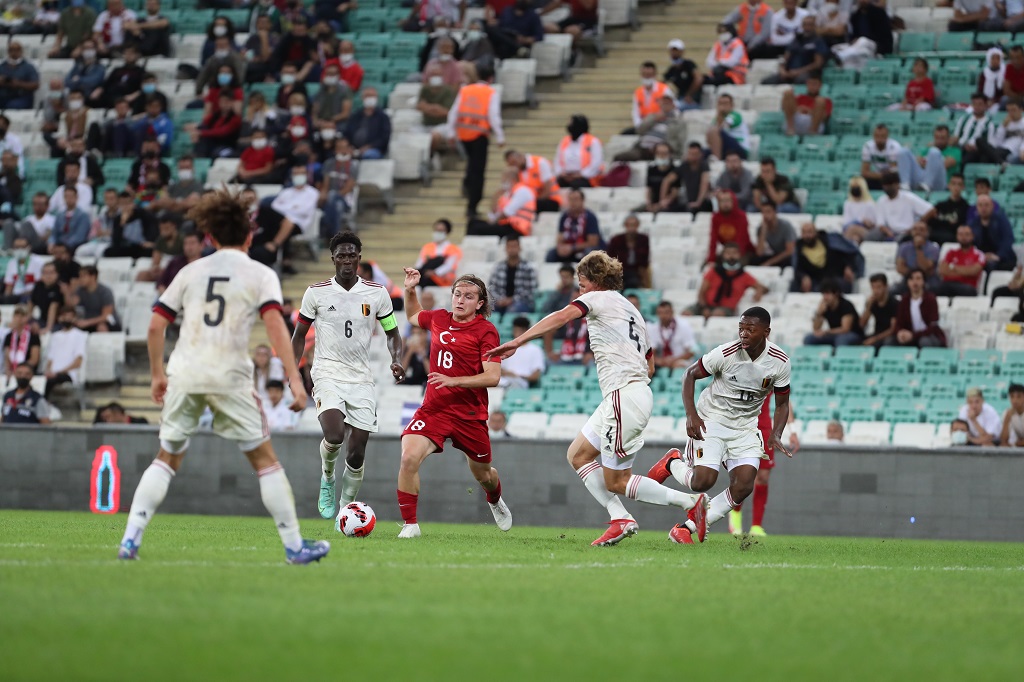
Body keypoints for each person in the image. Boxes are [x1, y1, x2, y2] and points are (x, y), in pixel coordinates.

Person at [117, 188, 330, 564]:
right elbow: (276, 328)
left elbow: (155, 327)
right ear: (249, 236)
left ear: (210, 237)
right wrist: (296, 380)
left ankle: (130, 540)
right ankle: (295, 546)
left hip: (184, 372)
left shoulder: (190, 271)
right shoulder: (260, 274)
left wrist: (156, 376)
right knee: (265, 460)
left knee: (166, 458)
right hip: (230, 375)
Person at [488, 251, 708, 546]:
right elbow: (651, 364)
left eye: (581, 284)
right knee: (577, 456)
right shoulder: (632, 310)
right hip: (628, 394)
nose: (579, 291)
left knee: (616, 480)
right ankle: (621, 518)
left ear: (595, 281)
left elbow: (562, 316)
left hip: (624, 395)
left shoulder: (597, 298)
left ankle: (690, 503)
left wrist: (517, 340)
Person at [649, 306, 792, 544]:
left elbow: (782, 403)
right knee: (703, 482)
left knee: (744, 485)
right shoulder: (726, 353)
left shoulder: (779, 362)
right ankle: (673, 461)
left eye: (750, 329)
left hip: (745, 426)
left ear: (766, 332)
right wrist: (691, 415)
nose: (743, 334)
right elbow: (689, 374)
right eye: (741, 328)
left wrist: (776, 433)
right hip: (712, 419)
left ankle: (686, 528)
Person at [291, 231, 405, 521]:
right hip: (327, 371)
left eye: (351, 254)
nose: (346, 260)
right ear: (333, 259)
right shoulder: (316, 293)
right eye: (341, 255)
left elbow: (392, 332)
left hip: (361, 378)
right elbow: (299, 335)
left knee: (357, 452)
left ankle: (346, 508)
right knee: (334, 434)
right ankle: (327, 478)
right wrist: (294, 374)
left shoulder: (377, 293)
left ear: (359, 258)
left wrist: (396, 359)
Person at [396, 268, 510, 539]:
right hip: (434, 409)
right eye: (457, 294)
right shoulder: (439, 319)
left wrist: (454, 380)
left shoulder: (486, 331)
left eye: (468, 296)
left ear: (479, 304)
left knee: (483, 474)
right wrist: (410, 290)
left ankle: (494, 499)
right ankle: (410, 525)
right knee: (408, 457)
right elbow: (413, 315)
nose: (460, 300)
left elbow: (493, 376)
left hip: (469, 414)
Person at [448, 64, 503, 218]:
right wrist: (500, 136)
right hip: (479, 135)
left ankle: (466, 184)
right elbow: (493, 115)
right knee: (478, 171)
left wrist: (451, 133)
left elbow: (454, 112)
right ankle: (472, 205)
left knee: (472, 164)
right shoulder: (491, 92)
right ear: (491, 78)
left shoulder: (465, 90)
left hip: (463, 134)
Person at [689, 243, 768, 317]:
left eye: (734, 253)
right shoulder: (713, 271)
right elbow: (701, 293)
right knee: (686, 313)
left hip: (726, 309)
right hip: (705, 306)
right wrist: (704, 308)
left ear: (739, 255)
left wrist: (759, 291)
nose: (731, 256)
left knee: (717, 314)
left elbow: (762, 287)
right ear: (723, 255)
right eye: (728, 253)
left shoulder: (743, 275)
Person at [856, 172, 935, 243]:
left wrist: (918, 224)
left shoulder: (909, 198)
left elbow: (931, 210)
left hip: (908, 232)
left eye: (890, 185)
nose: (887, 188)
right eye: (885, 185)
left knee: (902, 240)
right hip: (890, 232)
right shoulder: (881, 201)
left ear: (897, 185)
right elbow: (880, 224)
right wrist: (888, 233)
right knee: (870, 237)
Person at [614, 93, 687, 162]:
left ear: (673, 105)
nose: (665, 105)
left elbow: (680, 141)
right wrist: (654, 119)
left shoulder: (678, 122)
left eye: (668, 103)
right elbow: (639, 131)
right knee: (619, 157)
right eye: (664, 103)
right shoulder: (652, 116)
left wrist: (675, 154)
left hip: (660, 150)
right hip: (642, 148)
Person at [466, 167, 537, 238]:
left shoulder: (522, 191)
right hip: (505, 225)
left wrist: (493, 223)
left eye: (504, 178)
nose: (502, 181)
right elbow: (494, 214)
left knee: (476, 228)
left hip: (517, 228)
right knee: (473, 223)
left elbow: (507, 213)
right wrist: (495, 196)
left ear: (512, 179)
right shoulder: (508, 194)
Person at [793, 222, 860, 293]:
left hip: (834, 276)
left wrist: (848, 266)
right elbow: (798, 268)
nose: (807, 236)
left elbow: (845, 254)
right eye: (804, 233)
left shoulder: (828, 242)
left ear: (816, 232)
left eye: (810, 232)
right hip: (815, 280)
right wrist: (804, 276)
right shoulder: (799, 249)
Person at [762, 15, 827, 86]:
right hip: (789, 72)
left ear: (814, 26)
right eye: (805, 24)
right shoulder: (796, 40)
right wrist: (782, 70)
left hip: (806, 73)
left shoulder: (818, 41)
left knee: (800, 81)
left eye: (810, 25)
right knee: (766, 82)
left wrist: (798, 71)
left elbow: (818, 64)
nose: (807, 27)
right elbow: (785, 57)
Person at [41, 306, 87, 399]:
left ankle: (44, 404)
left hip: (68, 374)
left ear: (74, 318)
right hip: (53, 374)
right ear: (59, 318)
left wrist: (58, 372)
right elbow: (50, 359)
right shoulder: (55, 336)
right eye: (65, 316)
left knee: (49, 382)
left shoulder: (80, 335)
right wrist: (48, 371)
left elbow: (78, 362)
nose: (67, 319)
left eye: (70, 316)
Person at [897, 125, 959, 193]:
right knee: (904, 151)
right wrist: (927, 163)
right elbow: (918, 162)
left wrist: (925, 163)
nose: (939, 140)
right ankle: (905, 185)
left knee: (934, 152)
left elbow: (944, 165)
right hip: (921, 181)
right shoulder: (926, 149)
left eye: (942, 138)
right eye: (937, 137)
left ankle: (927, 185)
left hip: (940, 182)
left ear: (948, 138)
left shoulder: (955, 151)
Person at [545, 189, 602, 263]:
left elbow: (593, 242)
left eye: (576, 199)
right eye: (570, 199)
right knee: (551, 254)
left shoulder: (590, 217)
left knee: (589, 253)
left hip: (582, 248)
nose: (573, 202)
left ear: (582, 201)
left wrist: (573, 247)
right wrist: (561, 248)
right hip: (569, 248)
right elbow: (560, 238)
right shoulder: (564, 217)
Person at [804, 278, 864, 346]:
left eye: (827, 294)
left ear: (836, 294)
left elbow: (845, 329)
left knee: (841, 340)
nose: (825, 297)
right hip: (834, 335)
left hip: (852, 334)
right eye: (823, 294)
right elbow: (816, 329)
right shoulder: (825, 306)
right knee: (809, 338)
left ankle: (841, 356)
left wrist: (826, 332)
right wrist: (819, 313)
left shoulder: (846, 305)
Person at [895, 269, 946, 348]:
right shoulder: (904, 300)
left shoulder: (930, 299)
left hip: (929, 335)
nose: (915, 282)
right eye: (911, 279)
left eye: (918, 278)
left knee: (924, 341)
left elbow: (933, 326)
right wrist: (900, 332)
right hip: (911, 335)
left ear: (923, 281)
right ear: (908, 282)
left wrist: (913, 335)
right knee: (891, 341)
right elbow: (899, 323)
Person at [488, 236, 538, 314]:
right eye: (509, 246)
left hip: (522, 303)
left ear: (519, 248)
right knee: (486, 311)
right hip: (501, 302)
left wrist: (511, 300)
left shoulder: (528, 268)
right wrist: (500, 300)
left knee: (513, 309)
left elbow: (530, 292)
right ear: (506, 248)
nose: (512, 249)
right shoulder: (498, 267)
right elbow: (491, 288)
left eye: (514, 246)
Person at [554, 115, 604, 189]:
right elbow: (557, 160)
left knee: (575, 186)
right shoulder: (565, 141)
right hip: (566, 176)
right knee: (554, 186)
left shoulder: (593, 141)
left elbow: (596, 163)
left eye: (571, 124)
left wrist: (581, 174)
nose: (569, 126)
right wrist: (562, 173)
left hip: (586, 177)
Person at [969, 194, 1017, 272]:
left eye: (986, 205)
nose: (983, 208)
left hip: (1002, 258)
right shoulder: (973, 224)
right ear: (976, 208)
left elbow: (1008, 239)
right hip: (981, 257)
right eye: (980, 205)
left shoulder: (1001, 220)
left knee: (991, 265)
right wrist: (979, 256)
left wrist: (998, 256)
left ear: (992, 206)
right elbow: (970, 243)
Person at [936, 225, 986, 297]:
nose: (963, 237)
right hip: (948, 284)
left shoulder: (979, 254)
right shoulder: (951, 252)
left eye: (967, 234)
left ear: (972, 236)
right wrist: (965, 271)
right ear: (957, 236)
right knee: (934, 289)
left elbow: (973, 271)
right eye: (961, 234)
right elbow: (942, 270)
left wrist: (952, 267)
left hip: (967, 287)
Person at [498, 316, 546, 389]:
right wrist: (507, 373)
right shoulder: (506, 348)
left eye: (520, 330)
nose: (517, 333)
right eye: (515, 330)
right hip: (503, 380)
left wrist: (517, 376)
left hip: (521, 382)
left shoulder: (535, 350)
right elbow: (498, 369)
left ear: (526, 331)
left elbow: (535, 376)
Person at [647, 301, 698, 370]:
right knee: (649, 363)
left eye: (666, 312)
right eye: (660, 313)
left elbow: (692, 351)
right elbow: (652, 351)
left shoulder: (683, 325)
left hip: (681, 360)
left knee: (678, 364)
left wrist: (674, 359)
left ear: (672, 312)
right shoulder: (654, 327)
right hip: (663, 361)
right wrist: (659, 360)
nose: (663, 316)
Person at [664, 142, 712, 214]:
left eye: (695, 154)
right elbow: (667, 180)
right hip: (687, 202)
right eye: (690, 154)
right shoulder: (684, 166)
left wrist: (698, 202)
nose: (693, 156)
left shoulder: (704, 165)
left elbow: (704, 184)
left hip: (702, 201)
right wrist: (663, 199)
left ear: (700, 154)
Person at [707, 191, 752, 264]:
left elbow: (741, 240)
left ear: (733, 201)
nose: (725, 204)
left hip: (743, 252)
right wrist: (711, 259)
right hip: (726, 251)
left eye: (727, 200)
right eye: (722, 201)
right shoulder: (715, 217)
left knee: (735, 265)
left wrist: (732, 255)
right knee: (708, 265)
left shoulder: (741, 216)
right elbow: (713, 239)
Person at [606, 214, 651, 289]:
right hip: (619, 270)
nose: (631, 228)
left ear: (637, 226)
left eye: (634, 225)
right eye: (629, 225)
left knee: (633, 281)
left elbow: (644, 260)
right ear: (625, 226)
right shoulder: (616, 240)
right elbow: (610, 258)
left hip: (636, 271)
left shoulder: (643, 239)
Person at [73, 264, 121, 333]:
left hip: (108, 322)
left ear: (93, 277)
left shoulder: (105, 292)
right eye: (79, 276)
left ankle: (104, 343)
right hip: (87, 321)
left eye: (83, 276)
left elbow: (106, 316)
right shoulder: (79, 291)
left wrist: (87, 322)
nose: (80, 279)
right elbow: (71, 307)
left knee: (101, 327)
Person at [415, 219, 462, 287]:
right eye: (436, 230)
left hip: (443, 279)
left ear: (447, 232)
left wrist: (434, 272)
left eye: (441, 231)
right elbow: (419, 263)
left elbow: (449, 266)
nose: (437, 233)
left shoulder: (453, 249)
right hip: (426, 276)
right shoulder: (427, 247)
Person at [895, 221, 941, 291]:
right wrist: (914, 277)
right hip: (908, 280)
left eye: (921, 230)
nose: (918, 232)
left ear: (927, 232)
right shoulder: (904, 247)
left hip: (928, 281)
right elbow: (900, 268)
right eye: (915, 229)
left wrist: (918, 248)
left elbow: (925, 267)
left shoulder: (933, 248)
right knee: (894, 290)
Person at [953, 94, 996, 166]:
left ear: (985, 106)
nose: (977, 107)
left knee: (968, 158)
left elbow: (989, 144)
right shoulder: (964, 119)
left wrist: (975, 147)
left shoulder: (989, 124)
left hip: (976, 151)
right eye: (974, 104)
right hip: (960, 147)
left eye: (980, 104)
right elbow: (956, 136)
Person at [978, 98, 1024, 164]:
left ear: (1021, 110)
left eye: (1014, 110)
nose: (1011, 113)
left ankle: (1000, 162)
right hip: (1000, 148)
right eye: (1009, 110)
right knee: (979, 141)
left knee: (985, 157)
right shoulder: (1006, 122)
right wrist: (1003, 127)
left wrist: (1022, 151)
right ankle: (1001, 162)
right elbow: (997, 142)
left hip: (1012, 150)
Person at [752, 199, 796, 268]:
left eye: (768, 212)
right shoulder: (761, 228)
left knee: (789, 260)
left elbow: (789, 250)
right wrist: (764, 230)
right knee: (754, 260)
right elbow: (759, 253)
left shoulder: (785, 225)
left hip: (788, 256)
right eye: (763, 212)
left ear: (775, 212)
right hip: (776, 254)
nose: (765, 215)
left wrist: (769, 263)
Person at [706, 93, 750, 161]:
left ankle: (717, 161)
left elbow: (723, 126)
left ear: (732, 105)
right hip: (724, 148)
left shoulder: (735, 116)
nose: (722, 106)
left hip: (739, 148)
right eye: (720, 103)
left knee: (714, 130)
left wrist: (720, 113)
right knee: (700, 152)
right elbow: (709, 138)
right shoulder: (715, 120)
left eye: (725, 103)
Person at [49, 187, 92, 254]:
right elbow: (54, 233)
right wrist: (51, 243)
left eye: (71, 196)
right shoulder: (59, 215)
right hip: (60, 244)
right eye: (66, 196)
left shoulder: (83, 216)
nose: (69, 199)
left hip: (74, 245)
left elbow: (80, 236)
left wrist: (65, 246)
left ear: (76, 197)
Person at [928, 174, 968, 245]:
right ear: (949, 186)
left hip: (951, 239)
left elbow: (960, 225)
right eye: (953, 184)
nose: (956, 187)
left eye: (959, 184)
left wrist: (941, 222)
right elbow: (931, 222)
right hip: (935, 236)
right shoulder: (940, 205)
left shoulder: (966, 207)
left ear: (963, 187)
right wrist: (948, 223)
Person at [859, 273, 897, 348]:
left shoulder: (894, 303)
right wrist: (868, 307)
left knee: (887, 342)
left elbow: (893, 329)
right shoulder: (872, 303)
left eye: (879, 287)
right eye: (873, 287)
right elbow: (862, 324)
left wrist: (875, 339)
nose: (876, 291)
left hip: (890, 336)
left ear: (886, 287)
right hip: (877, 333)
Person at [664, 39, 703, 110]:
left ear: (682, 51)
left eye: (676, 50)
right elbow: (663, 82)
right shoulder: (672, 70)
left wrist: (689, 95)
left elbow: (698, 79)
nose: (674, 53)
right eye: (672, 50)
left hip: (692, 100)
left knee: (675, 108)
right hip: (679, 99)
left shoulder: (689, 64)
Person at [860, 124, 902, 191]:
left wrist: (880, 175)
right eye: (877, 136)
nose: (879, 139)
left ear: (887, 136)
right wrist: (881, 175)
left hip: (891, 178)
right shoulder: (867, 146)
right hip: (878, 176)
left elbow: (893, 171)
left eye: (882, 136)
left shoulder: (894, 147)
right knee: (862, 182)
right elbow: (864, 172)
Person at [2, 239, 43, 305]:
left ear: (29, 247)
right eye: (17, 247)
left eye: (23, 247)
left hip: (32, 294)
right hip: (15, 296)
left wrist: (25, 293)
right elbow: (9, 285)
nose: (20, 250)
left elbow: (40, 285)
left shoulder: (38, 262)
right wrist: (6, 298)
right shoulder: (11, 263)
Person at [3, 306, 41, 376]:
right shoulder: (9, 336)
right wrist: (8, 369)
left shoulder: (33, 335)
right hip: (12, 371)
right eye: (17, 316)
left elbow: (34, 359)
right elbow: (7, 357)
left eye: (22, 316)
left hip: (27, 371)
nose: (19, 319)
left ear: (26, 318)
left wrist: (21, 369)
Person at [0, 41, 39, 110]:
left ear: (21, 51)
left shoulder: (28, 67)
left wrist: (18, 84)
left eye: (16, 50)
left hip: (22, 97)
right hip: (3, 95)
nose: (14, 52)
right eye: (11, 50)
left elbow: (35, 84)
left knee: (12, 106)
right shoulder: (2, 66)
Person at [31, 262, 63, 334]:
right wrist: (30, 321)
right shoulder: (38, 286)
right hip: (42, 319)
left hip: (57, 322)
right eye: (45, 273)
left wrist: (48, 328)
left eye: (51, 273)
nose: (48, 276)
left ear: (57, 274)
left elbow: (53, 308)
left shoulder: (58, 287)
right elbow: (31, 303)